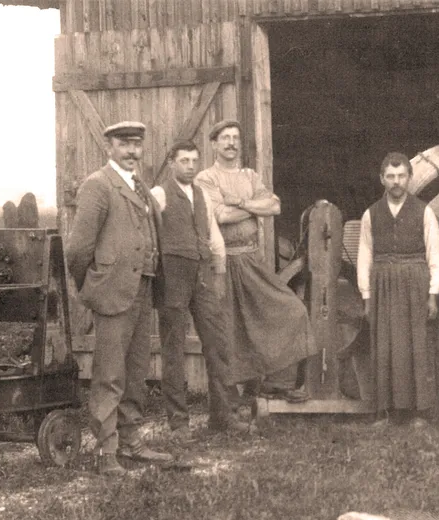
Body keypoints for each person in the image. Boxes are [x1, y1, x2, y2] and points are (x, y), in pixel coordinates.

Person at [66, 121, 173, 477]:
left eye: (137, 145)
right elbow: (79, 249)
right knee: (110, 374)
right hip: (113, 291)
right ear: (108, 146)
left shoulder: (139, 186)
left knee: (136, 371)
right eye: (124, 144)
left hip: (143, 287)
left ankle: (130, 440)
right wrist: (92, 285)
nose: (132, 152)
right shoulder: (98, 185)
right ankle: (105, 451)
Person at [195, 120, 315, 403]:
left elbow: (274, 205)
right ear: (214, 144)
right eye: (225, 138)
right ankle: (232, 400)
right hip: (222, 263)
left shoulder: (250, 175)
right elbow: (218, 216)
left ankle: (278, 382)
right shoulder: (206, 178)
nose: (231, 143)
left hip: (252, 260)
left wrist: (241, 203)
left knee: (291, 310)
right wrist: (252, 209)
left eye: (236, 137)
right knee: (229, 329)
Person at [150, 140, 252, 438]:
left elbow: (213, 235)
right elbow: (147, 231)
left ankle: (221, 416)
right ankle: (179, 423)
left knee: (217, 343)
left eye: (195, 160)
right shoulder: (159, 194)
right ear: (171, 163)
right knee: (174, 350)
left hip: (202, 276)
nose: (191, 166)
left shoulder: (202, 195)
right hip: (172, 278)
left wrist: (218, 270)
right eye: (184, 161)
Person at [357, 152, 439, 427]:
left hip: (415, 282)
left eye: (401, 176)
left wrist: (433, 294)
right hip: (382, 283)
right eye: (390, 177)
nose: (396, 182)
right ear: (382, 179)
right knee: (385, 345)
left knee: (417, 345)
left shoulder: (425, 211)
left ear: (409, 178)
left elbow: (434, 256)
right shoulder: (370, 214)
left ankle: (420, 412)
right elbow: (364, 256)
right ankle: (386, 411)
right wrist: (367, 296)